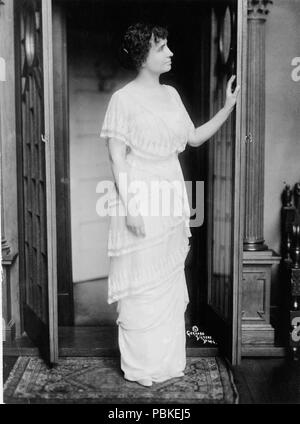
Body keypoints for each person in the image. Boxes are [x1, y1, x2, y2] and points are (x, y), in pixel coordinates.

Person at [100, 22, 240, 387]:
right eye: (162, 48)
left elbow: (192, 138)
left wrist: (227, 108)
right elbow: (117, 158)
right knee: (142, 281)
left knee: (165, 278)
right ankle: (141, 365)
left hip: (170, 192)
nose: (170, 53)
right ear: (143, 56)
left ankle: (165, 361)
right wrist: (130, 207)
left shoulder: (173, 96)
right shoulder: (123, 99)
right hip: (141, 193)